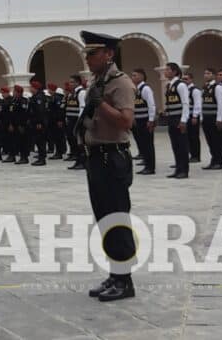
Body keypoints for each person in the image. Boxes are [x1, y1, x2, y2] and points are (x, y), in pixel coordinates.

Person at [79, 31, 137, 302]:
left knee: (116, 219)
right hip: (96, 157)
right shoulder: (98, 82)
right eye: (87, 54)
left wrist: (100, 104)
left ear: (109, 54)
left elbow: (126, 121)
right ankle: (115, 275)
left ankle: (125, 281)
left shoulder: (120, 83)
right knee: (104, 219)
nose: (88, 58)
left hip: (112, 158)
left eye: (93, 53)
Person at [164, 63, 191, 179]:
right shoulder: (169, 85)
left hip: (179, 119)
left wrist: (183, 120)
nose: (165, 71)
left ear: (175, 72)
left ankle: (184, 170)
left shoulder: (180, 85)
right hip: (171, 119)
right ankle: (178, 168)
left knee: (182, 146)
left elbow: (185, 103)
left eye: (168, 70)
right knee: (175, 145)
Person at [130, 69, 156, 175]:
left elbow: (151, 105)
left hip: (145, 121)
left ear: (141, 76)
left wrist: (151, 120)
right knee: (142, 144)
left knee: (148, 144)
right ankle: (146, 163)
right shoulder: (135, 89)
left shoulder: (145, 89)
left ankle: (150, 167)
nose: (132, 77)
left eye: (135, 75)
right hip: (138, 121)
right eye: (132, 75)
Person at [200, 68, 222, 170]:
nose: (206, 75)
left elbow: (221, 104)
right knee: (210, 140)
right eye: (205, 73)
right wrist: (202, 117)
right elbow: (203, 103)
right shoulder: (204, 87)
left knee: (217, 140)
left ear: (213, 75)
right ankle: (213, 160)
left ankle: (218, 162)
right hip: (206, 118)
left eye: (208, 73)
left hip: (214, 118)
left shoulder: (217, 87)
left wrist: (219, 119)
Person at [66, 76, 88, 170]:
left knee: (80, 143)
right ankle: (78, 160)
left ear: (77, 83)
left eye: (72, 82)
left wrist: (79, 122)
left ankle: (83, 162)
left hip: (77, 121)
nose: (70, 84)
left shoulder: (81, 92)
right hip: (71, 121)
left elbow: (83, 108)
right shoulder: (72, 94)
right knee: (73, 142)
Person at [184, 73, 203, 163]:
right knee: (187, 137)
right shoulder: (185, 90)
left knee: (193, 137)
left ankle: (196, 156)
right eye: (183, 79)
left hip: (193, 116)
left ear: (191, 79)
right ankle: (190, 154)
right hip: (186, 116)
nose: (184, 81)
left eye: (186, 79)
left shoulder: (195, 90)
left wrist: (195, 116)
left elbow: (197, 104)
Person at [29, 81, 48, 165]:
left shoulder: (39, 97)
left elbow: (40, 111)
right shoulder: (36, 96)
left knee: (40, 141)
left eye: (31, 87)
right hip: (35, 122)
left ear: (35, 88)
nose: (30, 89)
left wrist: (39, 122)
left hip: (39, 123)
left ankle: (42, 159)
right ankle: (41, 156)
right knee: (38, 140)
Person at [49, 84, 67, 160]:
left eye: (49, 89)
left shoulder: (57, 98)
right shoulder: (53, 97)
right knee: (57, 137)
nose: (48, 90)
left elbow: (60, 110)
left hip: (57, 121)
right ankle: (60, 151)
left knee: (59, 137)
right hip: (54, 120)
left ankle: (59, 152)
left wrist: (59, 120)